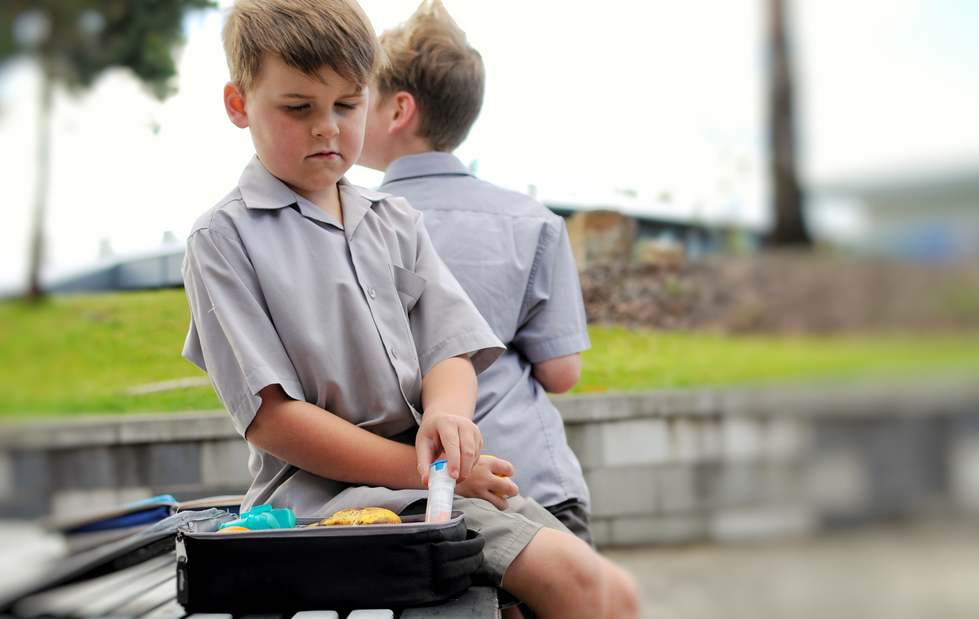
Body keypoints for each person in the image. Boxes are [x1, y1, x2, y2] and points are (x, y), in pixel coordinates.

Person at [180, 1, 638, 617]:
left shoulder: (394, 219)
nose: (328, 128)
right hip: (328, 500)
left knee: (608, 591)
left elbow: (450, 349)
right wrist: (423, 474)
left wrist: (448, 419)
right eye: (298, 108)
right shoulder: (223, 240)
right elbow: (274, 419)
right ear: (239, 105)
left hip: (437, 482)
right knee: (530, 588)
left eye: (347, 105)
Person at [357, 0, 596, 547]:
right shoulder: (533, 221)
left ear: (398, 111)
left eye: (357, 100)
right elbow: (562, 373)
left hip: (407, 494)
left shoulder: (351, 225)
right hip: (530, 479)